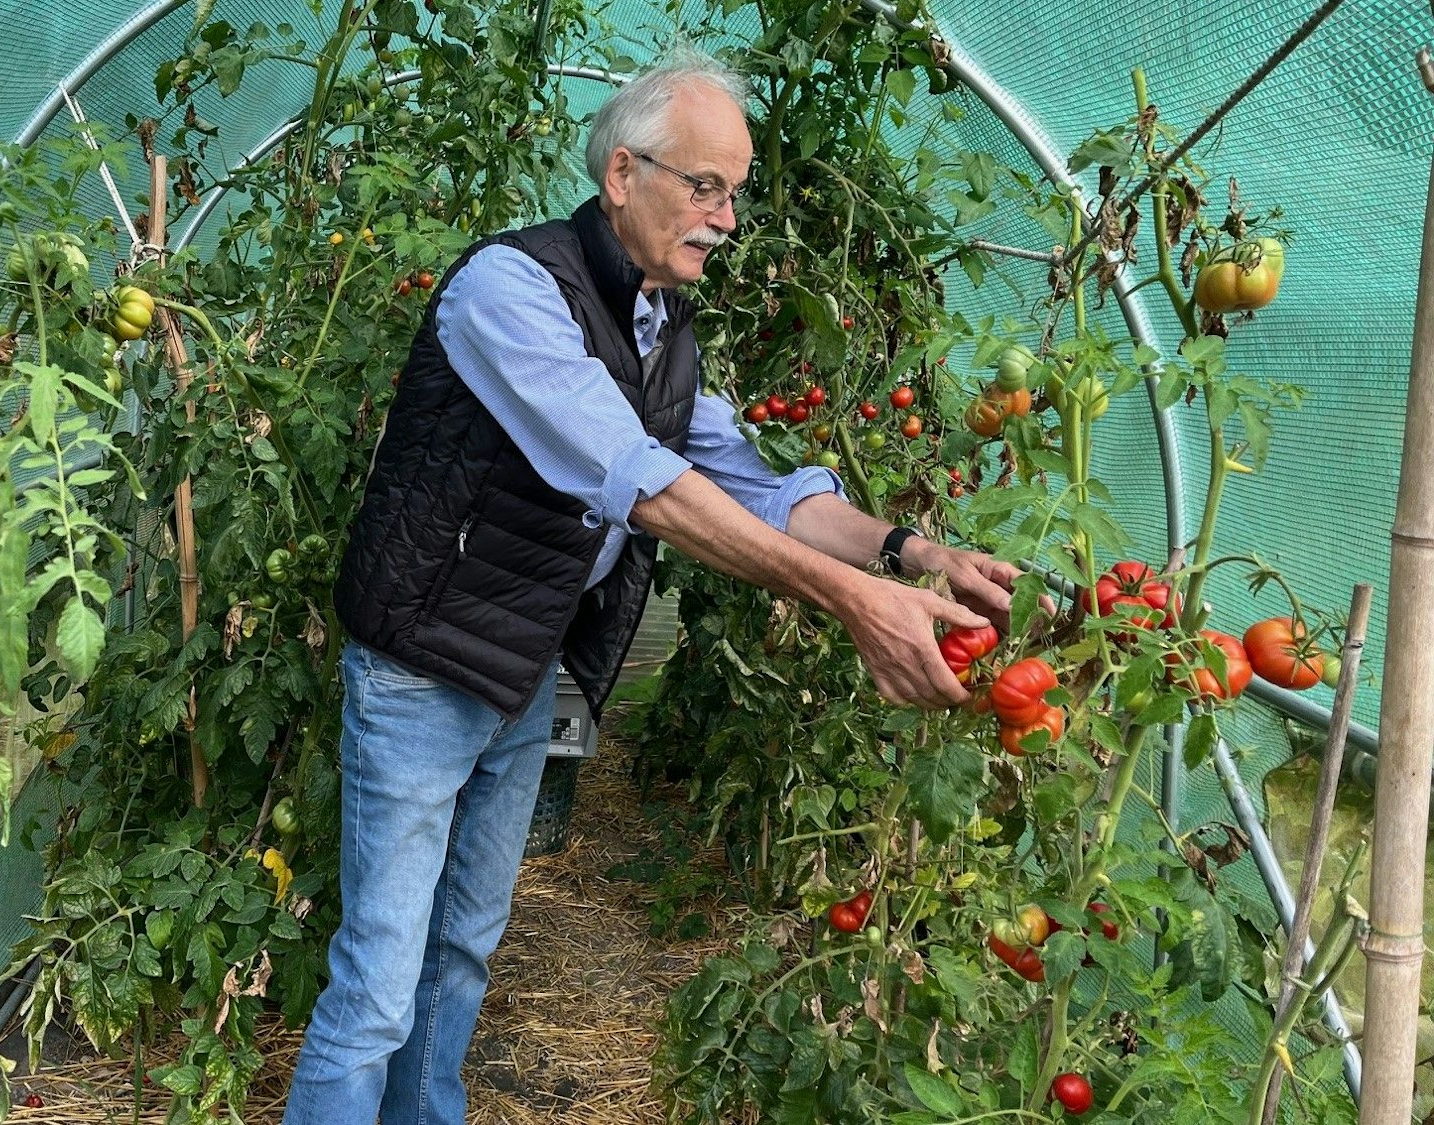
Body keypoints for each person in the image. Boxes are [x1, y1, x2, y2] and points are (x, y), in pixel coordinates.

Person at [283, 46, 1020, 1125]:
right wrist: (850, 601)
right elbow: (645, 485)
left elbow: (760, 491)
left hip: (518, 669)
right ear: (622, 175)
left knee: (460, 953)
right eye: (705, 186)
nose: (726, 217)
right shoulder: (509, 290)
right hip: (422, 669)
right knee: (382, 975)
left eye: (737, 193)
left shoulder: (659, 326)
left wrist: (908, 551)